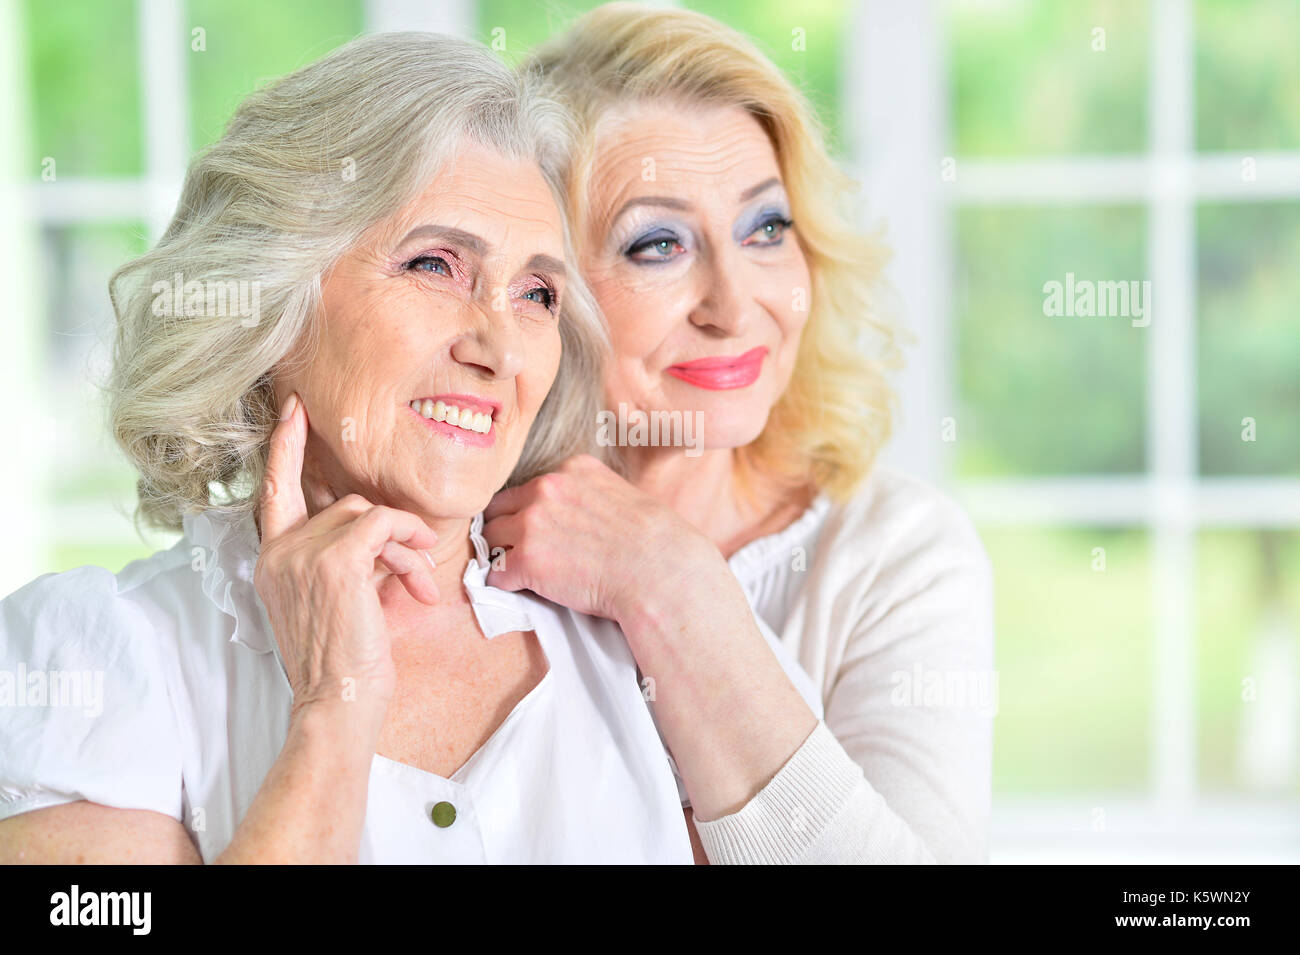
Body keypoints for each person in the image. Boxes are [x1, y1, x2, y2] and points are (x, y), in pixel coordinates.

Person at [0, 32, 692, 864]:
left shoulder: (639, 622)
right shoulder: (96, 658)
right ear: (271, 302)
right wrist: (334, 707)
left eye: (537, 293)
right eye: (435, 264)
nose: (501, 348)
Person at [482, 3, 996, 863]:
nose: (735, 304)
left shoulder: (896, 553)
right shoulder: (465, 540)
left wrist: (672, 581)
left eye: (766, 229)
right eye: (658, 244)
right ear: (544, 286)